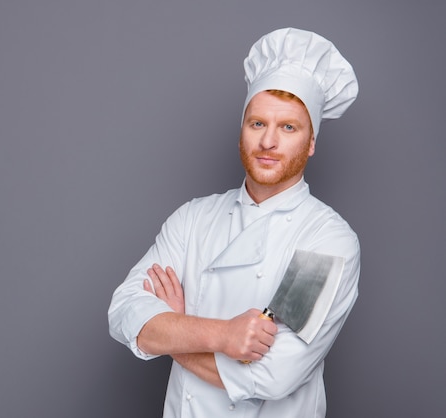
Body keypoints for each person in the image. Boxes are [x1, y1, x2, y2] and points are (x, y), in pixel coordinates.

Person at [108, 27, 360, 417]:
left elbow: (274, 376)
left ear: (311, 143)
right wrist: (221, 335)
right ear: (242, 130)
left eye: (288, 127)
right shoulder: (193, 218)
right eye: (257, 124)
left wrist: (175, 329)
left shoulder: (326, 241)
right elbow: (125, 312)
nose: (268, 142)